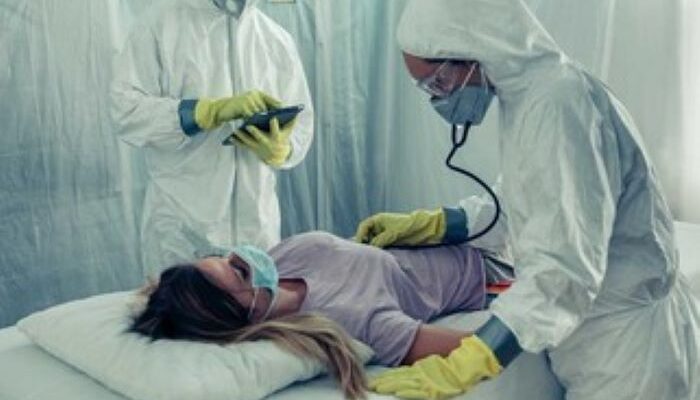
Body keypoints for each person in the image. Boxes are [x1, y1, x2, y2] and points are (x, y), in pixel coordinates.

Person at [358, 0, 700, 399]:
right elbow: (525, 204)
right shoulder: (531, 96)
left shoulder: (557, 103)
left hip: (625, 357)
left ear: (475, 48)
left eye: (438, 82)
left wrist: (472, 359)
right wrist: (439, 223)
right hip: (599, 342)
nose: (437, 99)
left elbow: (563, 271)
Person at [130, 226, 514, 399]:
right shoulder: (349, 319)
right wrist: (519, 327)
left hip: (468, 233)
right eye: (239, 271)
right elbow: (477, 346)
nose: (243, 257)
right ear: (244, 315)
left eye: (226, 257)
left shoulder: (283, 259)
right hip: (491, 274)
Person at [110, 0, 314, 275]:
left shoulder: (276, 39)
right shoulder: (160, 25)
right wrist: (205, 112)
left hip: (257, 226)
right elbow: (127, 111)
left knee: (256, 302)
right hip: (182, 229)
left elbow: (302, 124)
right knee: (183, 302)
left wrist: (282, 149)